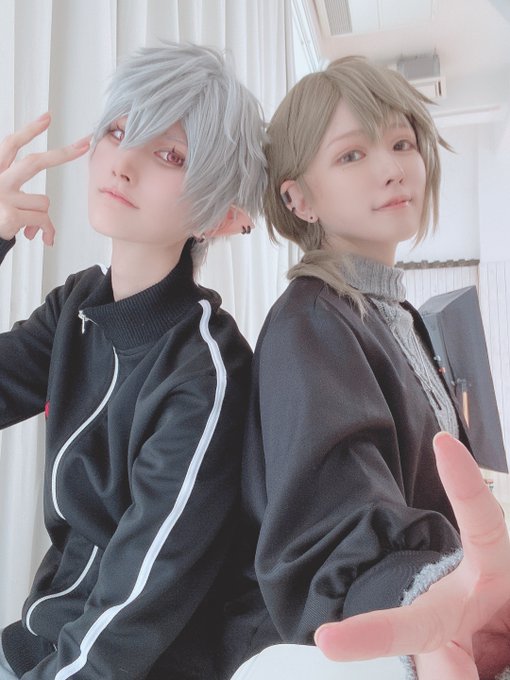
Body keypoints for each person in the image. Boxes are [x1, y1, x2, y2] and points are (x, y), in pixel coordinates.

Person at [218, 55, 510, 680]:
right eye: (352, 154)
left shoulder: (390, 311)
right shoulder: (310, 323)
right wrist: (432, 609)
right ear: (298, 197)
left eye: (402, 143)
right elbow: (336, 531)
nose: (392, 168)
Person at [0, 42, 266, 680]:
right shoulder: (78, 307)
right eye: (119, 132)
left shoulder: (206, 372)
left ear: (220, 215)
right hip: (39, 646)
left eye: (170, 155)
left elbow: (130, 620)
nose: (123, 163)